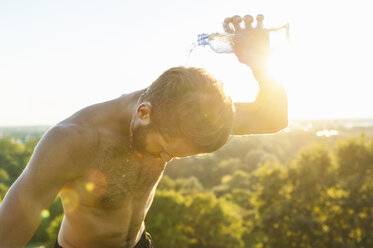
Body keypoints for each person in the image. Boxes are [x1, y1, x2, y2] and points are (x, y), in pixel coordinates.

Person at [0, 14, 287, 248]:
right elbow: (8, 233)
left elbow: (273, 119)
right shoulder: (72, 140)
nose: (166, 157)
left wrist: (262, 66)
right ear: (144, 113)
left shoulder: (192, 115)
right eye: (164, 148)